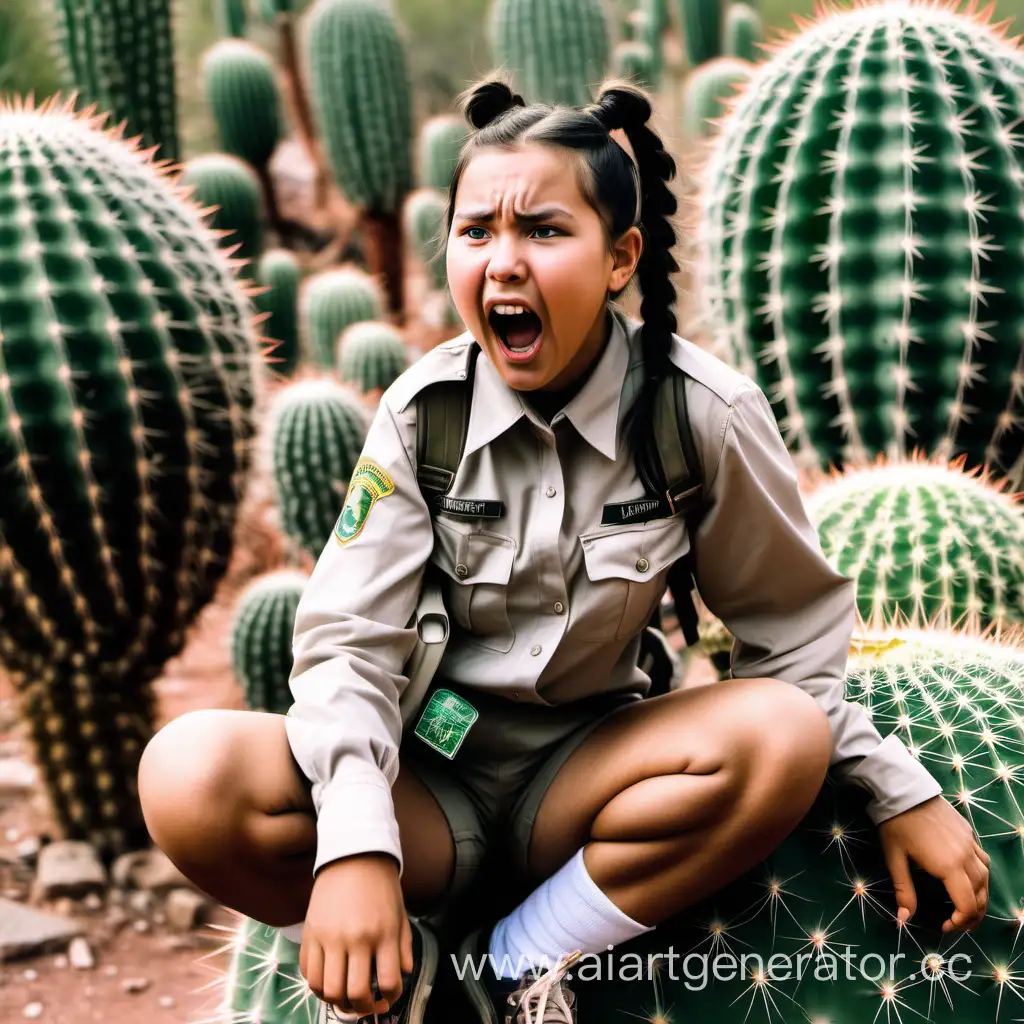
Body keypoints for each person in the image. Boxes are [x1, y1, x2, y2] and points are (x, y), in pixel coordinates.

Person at [137, 76, 991, 1024]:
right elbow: (347, 645)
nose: (503, 263)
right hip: (426, 781)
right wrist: (356, 845)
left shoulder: (695, 415)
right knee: (190, 776)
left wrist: (895, 790)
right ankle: (417, 973)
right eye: (476, 233)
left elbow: (791, 640)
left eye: (543, 231)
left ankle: (514, 968)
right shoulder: (426, 415)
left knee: (780, 737)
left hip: (585, 785)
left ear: (622, 257)